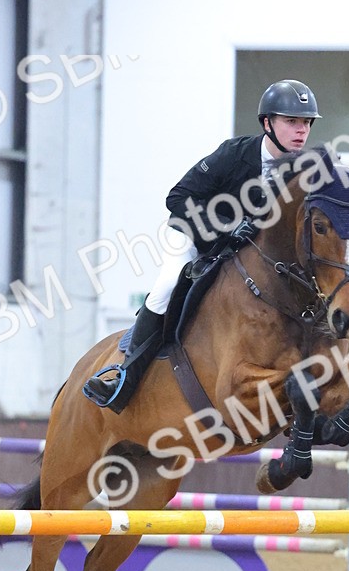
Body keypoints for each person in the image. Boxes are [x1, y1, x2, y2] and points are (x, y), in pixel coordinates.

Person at [83, 79, 321, 411]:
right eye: (292, 121)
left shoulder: (302, 171)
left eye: (307, 123)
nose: (302, 131)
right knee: (166, 286)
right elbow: (178, 198)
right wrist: (223, 230)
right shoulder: (233, 155)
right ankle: (124, 376)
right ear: (267, 123)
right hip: (193, 236)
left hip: (245, 251)